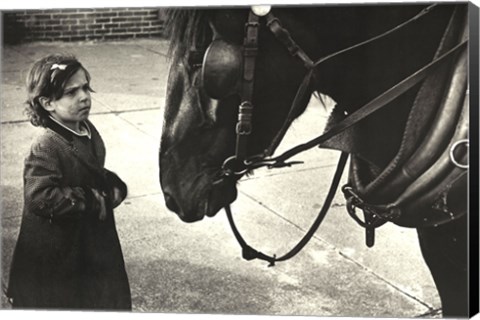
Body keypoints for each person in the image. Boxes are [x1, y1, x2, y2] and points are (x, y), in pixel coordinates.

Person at [6, 53, 131, 310]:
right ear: (48, 103)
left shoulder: (84, 127)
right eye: (71, 92)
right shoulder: (47, 144)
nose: (84, 97)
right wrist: (89, 199)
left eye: (86, 87)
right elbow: (39, 196)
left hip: (90, 239)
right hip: (58, 248)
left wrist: (108, 182)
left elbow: (89, 168)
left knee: (100, 295)